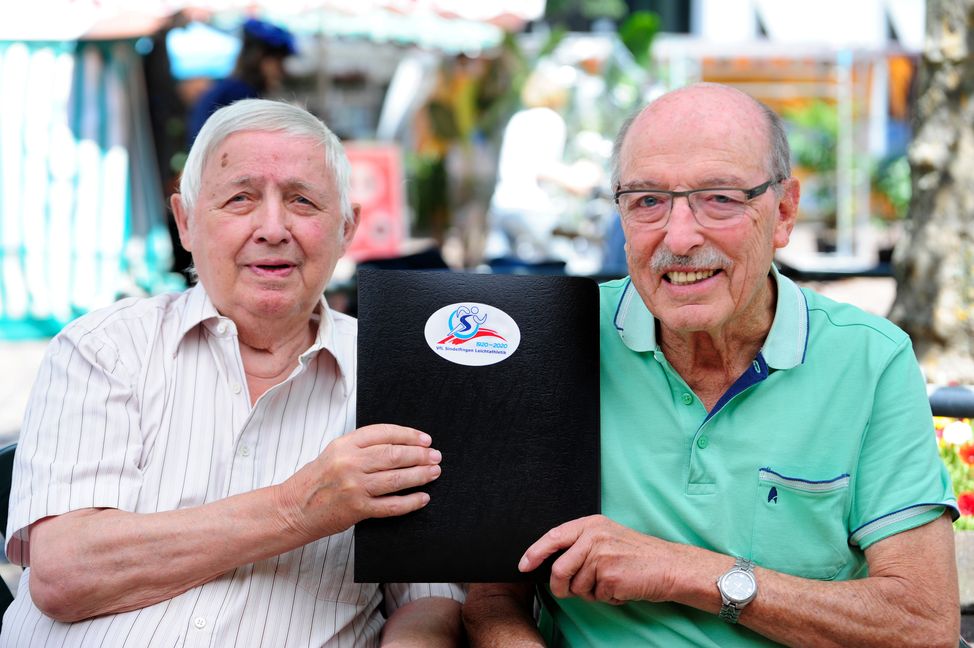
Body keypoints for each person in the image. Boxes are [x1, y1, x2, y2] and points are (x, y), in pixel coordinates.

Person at [463, 83, 960, 647]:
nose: (679, 238)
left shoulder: (869, 358)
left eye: (720, 198)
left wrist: (685, 571)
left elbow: (923, 625)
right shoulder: (550, 339)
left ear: (784, 212)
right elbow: (493, 598)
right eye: (647, 201)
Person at [2, 99, 464, 647]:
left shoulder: (399, 370)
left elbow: (429, 597)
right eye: (240, 198)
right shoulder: (104, 347)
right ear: (185, 222)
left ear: (346, 228)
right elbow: (63, 575)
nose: (272, 228)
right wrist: (299, 508)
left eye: (302, 200)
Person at [187, 18, 296, 145]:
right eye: (279, 62)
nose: (282, 71)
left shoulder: (231, 87)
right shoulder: (240, 94)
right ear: (260, 59)